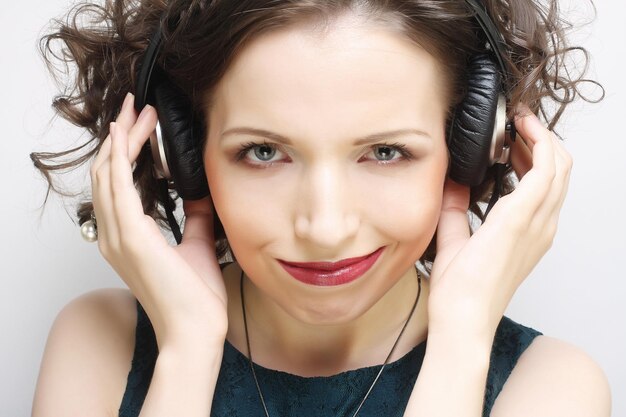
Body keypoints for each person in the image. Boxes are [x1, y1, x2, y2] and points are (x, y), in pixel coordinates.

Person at [31, 0, 611, 416]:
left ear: (474, 148)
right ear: (179, 155)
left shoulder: (551, 388)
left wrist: (462, 344)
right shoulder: (99, 344)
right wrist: (186, 351)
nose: (325, 228)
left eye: (386, 152)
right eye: (263, 152)